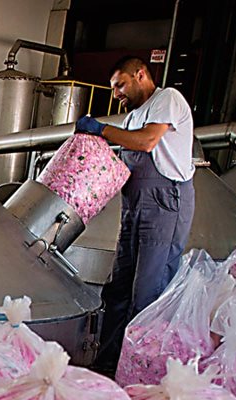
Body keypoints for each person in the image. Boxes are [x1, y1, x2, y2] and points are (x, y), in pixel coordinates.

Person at [75, 55, 196, 373]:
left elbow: (146, 142)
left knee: (148, 292)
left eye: (120, 85)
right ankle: (107, 366)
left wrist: (102, 129)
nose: (116, 94)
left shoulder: (167, 98)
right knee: (118, 289)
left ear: (140, 74)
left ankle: (140, 372)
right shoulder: (132, 116)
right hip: (134, 207)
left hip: (163, 205)